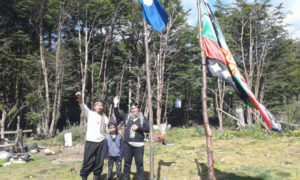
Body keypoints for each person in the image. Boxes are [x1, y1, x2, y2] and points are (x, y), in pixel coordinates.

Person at [113, 96, 149, 180]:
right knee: (127, 163)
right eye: (132, 109)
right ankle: (126, 178)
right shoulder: (126, 116)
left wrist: (138, 128)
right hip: (127, 144)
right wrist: (115, 104)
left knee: (139, 164)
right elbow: (117, 114)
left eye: (135, 109)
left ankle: (140, 178)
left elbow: (148, 129)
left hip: (139, 145)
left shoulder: (143, 118)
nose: (133, 111)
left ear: (138, 109)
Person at [75, 92, 109, 180]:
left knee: (99, 162)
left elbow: (108, 130)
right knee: (87, 161)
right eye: (97, 105)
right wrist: (79, 97)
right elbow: (82, 105)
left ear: (103, 107)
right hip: (90, 141)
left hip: (101, 142)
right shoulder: (90, 114)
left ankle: (96, 177)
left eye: (101, 105)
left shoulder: (105, 118)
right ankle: (84, 177)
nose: (99, 107)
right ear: (94, 107)